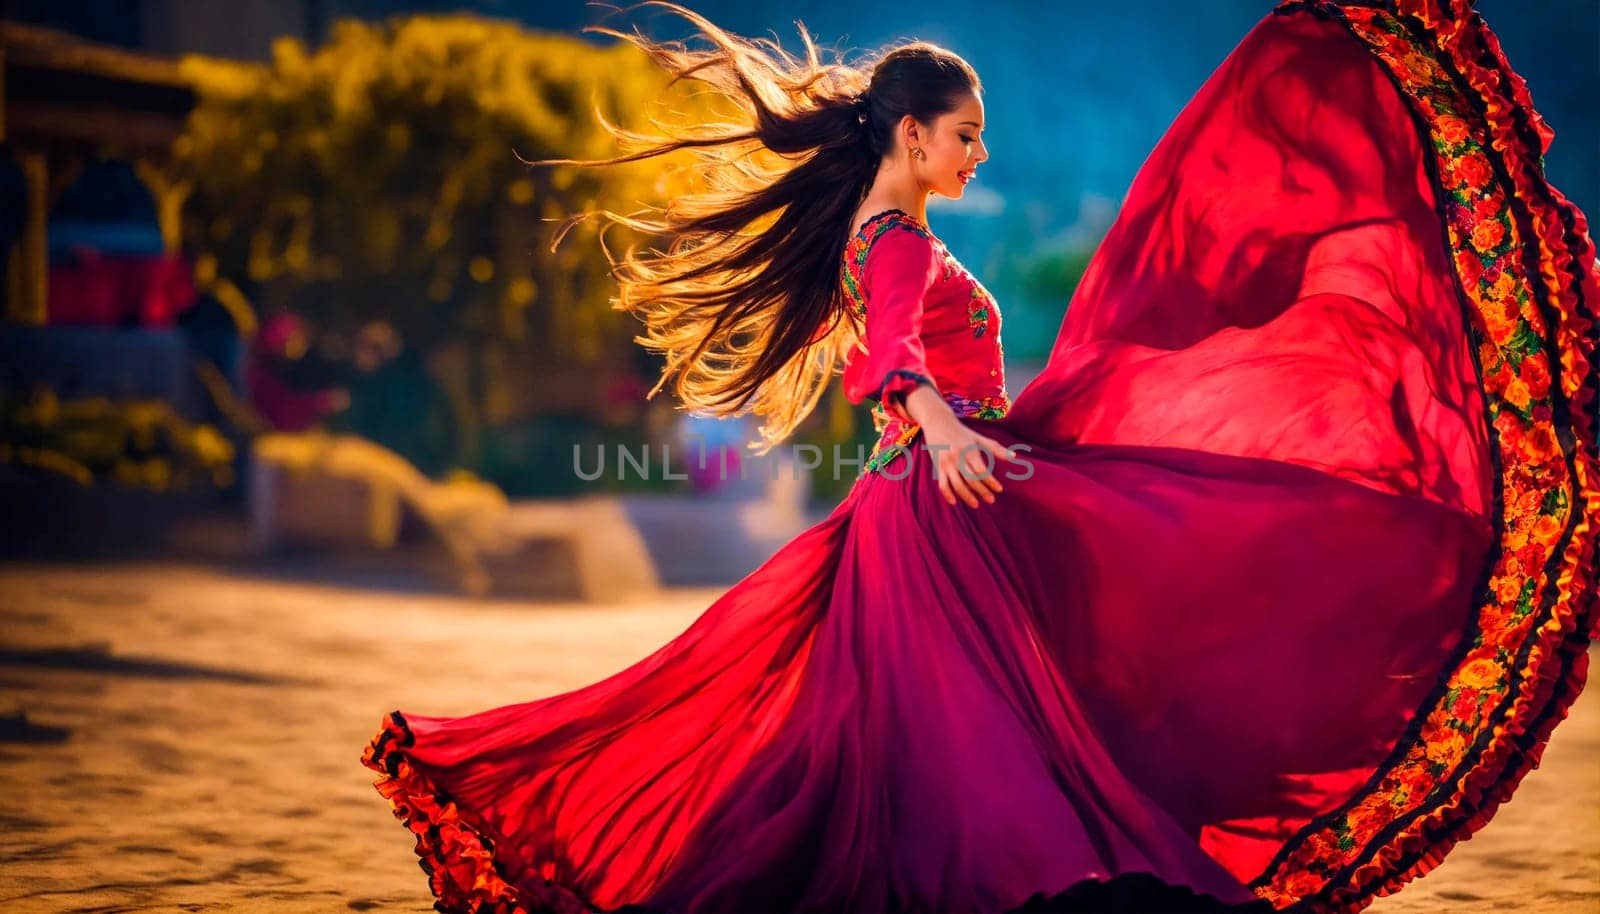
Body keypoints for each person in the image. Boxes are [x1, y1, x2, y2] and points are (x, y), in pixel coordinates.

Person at [361, 1, 1599, 911]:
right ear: (908, 133)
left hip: (926, 501)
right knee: (981, 730)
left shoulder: (879, 225)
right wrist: (943, 425)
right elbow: (890, 355)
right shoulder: (894, 238)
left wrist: (943, 428)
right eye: (965, 134)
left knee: (924, 735)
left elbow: (890, 361)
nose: (978, 154)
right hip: (939, 505)